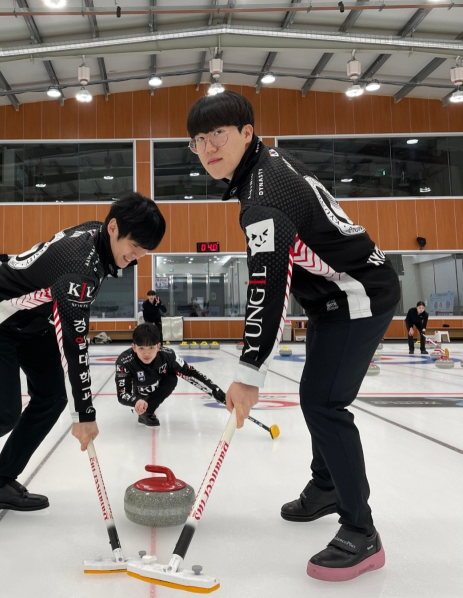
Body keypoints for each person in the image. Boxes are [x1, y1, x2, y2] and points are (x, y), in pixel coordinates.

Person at [187, 91, 400, 581]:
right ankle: (326, 487)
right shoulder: (262, 171)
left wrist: (248, 373)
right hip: (333, 299)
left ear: (247, 132)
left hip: (359, 295)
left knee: (325, 404)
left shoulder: (262, 197)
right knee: (316, 397)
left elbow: (266, 288)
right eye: (197, 141)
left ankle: (361, 533)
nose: (207, 148)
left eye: (218, 134)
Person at [0, 193, 165, 519]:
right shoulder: (79, 269)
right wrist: (85, 414)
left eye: (145, 252)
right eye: (135, 246)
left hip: (30, 322)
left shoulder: (97, 238)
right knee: (0, 414)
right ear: (113, 228)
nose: (136, 257)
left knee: (51, 397)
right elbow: (74, 344)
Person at [115, 323, 225, 427]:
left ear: (158, 346)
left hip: (157, 386)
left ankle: (148, 411)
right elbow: (122, 393)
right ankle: (143, 406)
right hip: (138, 393)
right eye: (141, 348)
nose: (146, 353)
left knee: (171, 378)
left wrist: (217, 392)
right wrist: (136, 401)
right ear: (134, 347)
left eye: (151, 348)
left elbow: (191, 374)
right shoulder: (125, 361)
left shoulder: (168, 356)